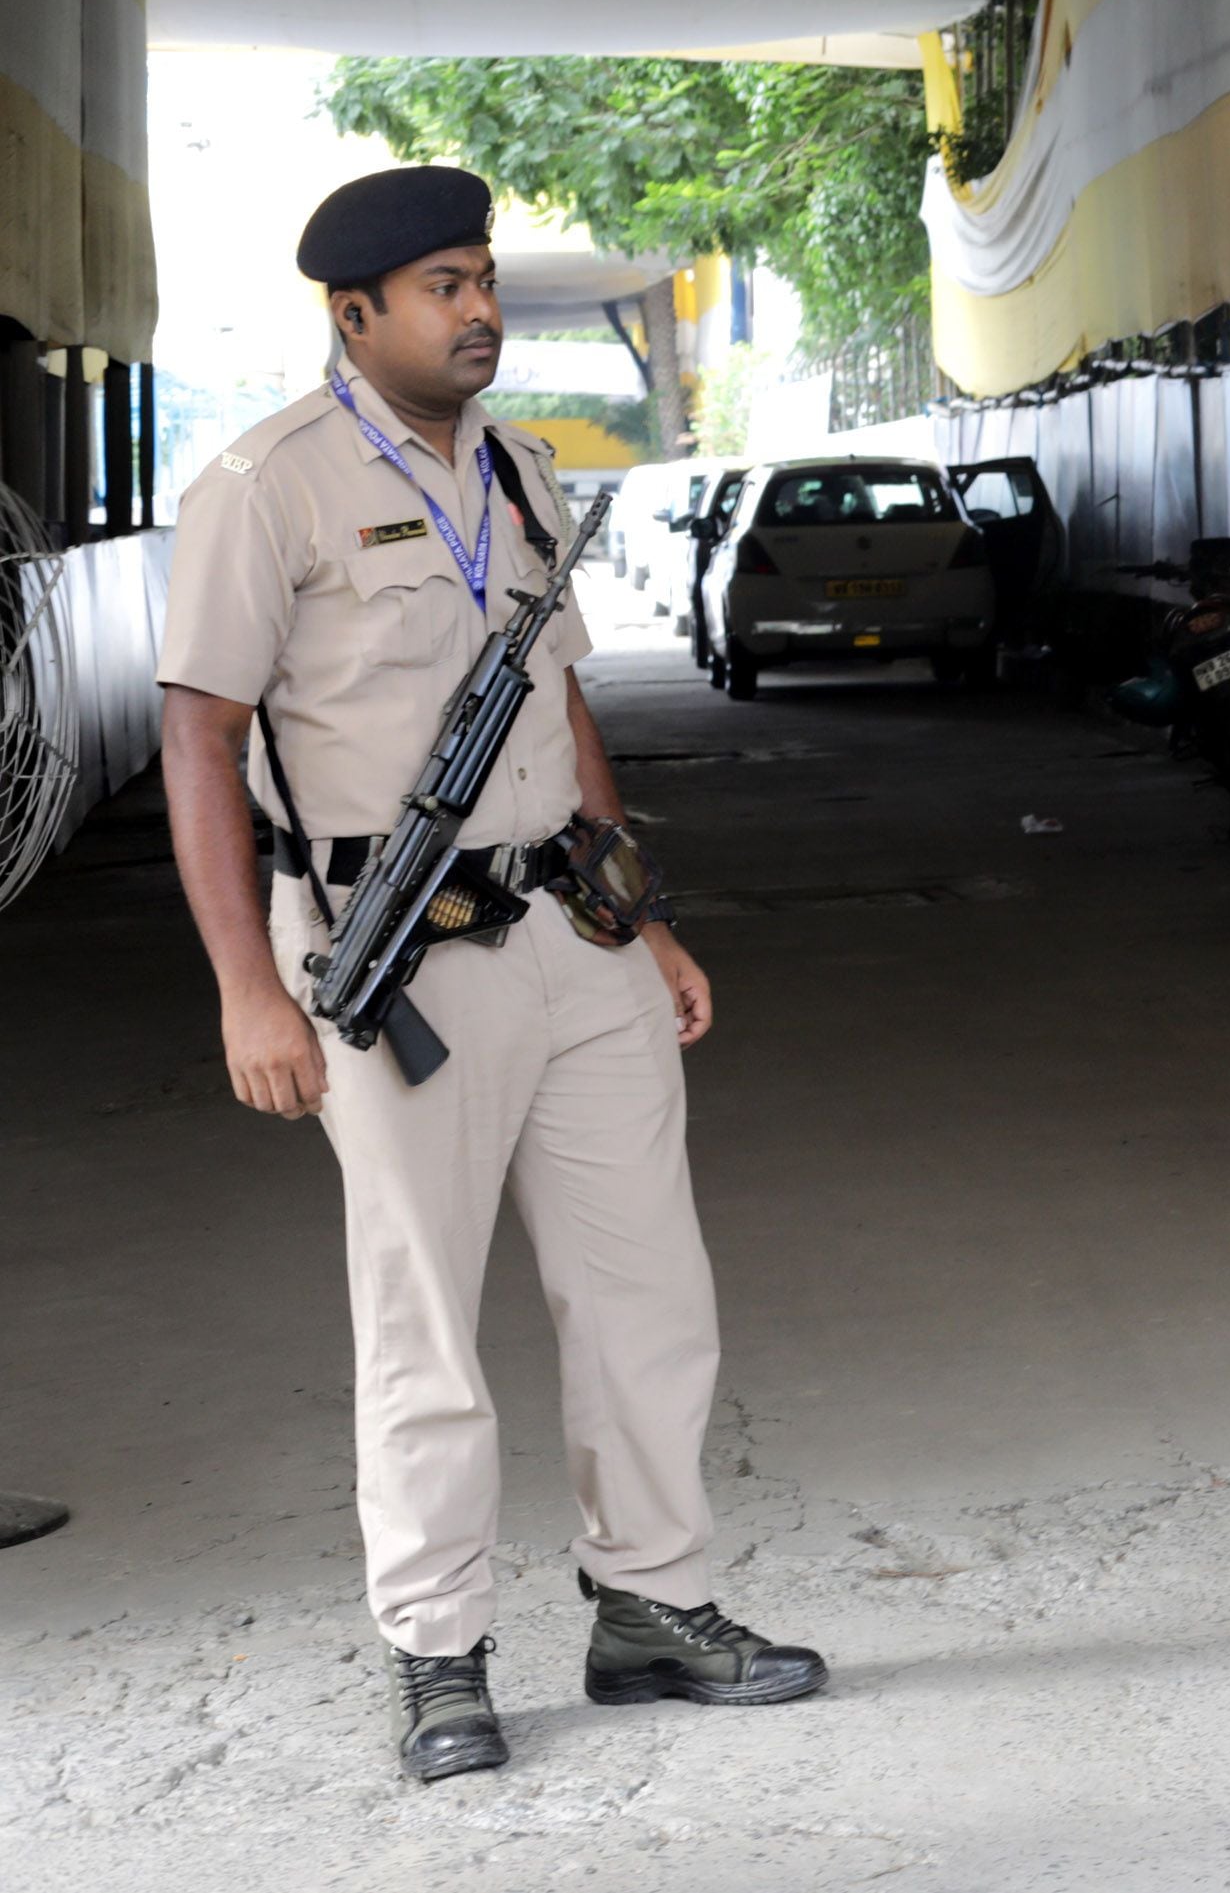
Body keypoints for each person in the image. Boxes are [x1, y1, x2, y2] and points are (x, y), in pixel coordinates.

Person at [156, 166, 827, 1784]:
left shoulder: (523, 471)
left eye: (483, 278)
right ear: (355, 312)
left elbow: (562, 707)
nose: (477, 310)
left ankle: (653, 1606)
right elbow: (200, 732)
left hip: (571, 939)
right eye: (443, 285)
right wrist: (249, 986)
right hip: (395, 963)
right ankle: (438, 1652)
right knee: (421, 1325)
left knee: (647, 1291)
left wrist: (637, 908)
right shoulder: (269, 487)